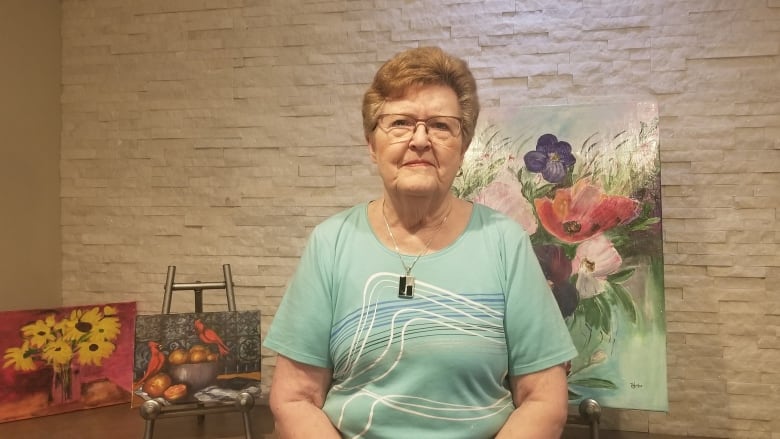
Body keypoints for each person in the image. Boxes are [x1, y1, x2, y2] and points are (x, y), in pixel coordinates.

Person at [263, 46, 577, 439]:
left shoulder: (504, 242)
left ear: (462, 149)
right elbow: (295, 399)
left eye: (441, 126)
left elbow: (543, 400)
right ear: (371, 145)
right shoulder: (332, 243)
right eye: (400, 123)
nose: (420, 139)